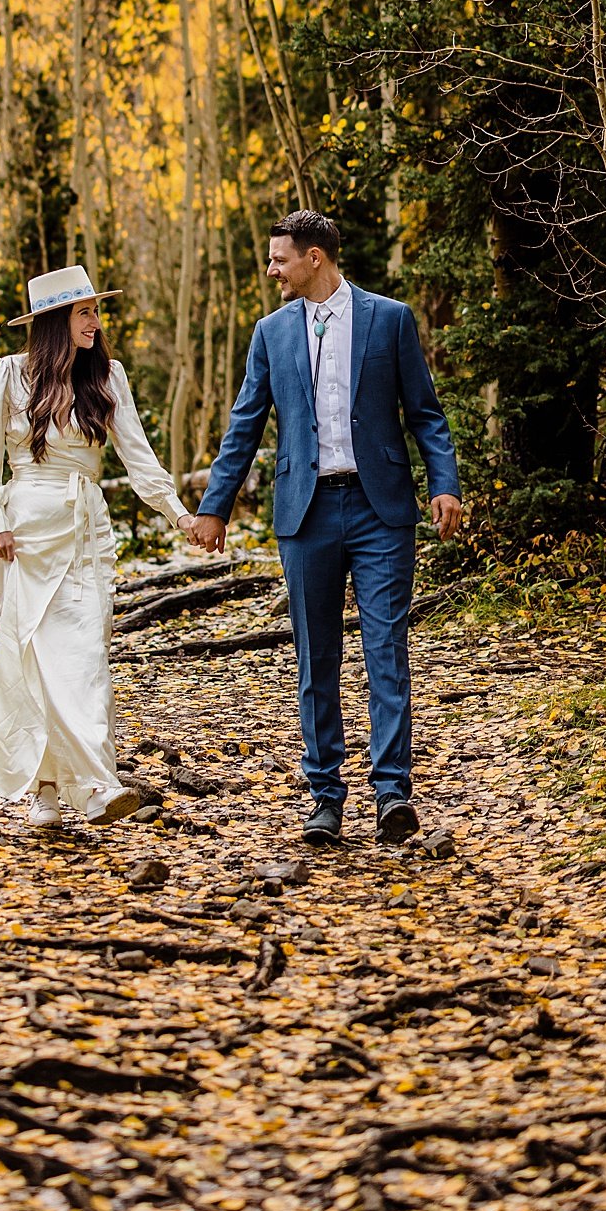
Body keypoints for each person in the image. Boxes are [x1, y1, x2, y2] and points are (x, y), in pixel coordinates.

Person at [186, 211, 462, 846]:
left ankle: (392, 791)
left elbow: (425, 413)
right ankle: (325, 797)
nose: (272, 269)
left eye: (280, 259)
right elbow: (245, 423)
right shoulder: (270, 333)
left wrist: (443, 484)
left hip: (380, 508)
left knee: (386, 649)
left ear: (315, 257)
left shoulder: (389, 319)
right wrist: (215, 505)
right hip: (305, 512)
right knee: (317, 656)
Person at [0, 264, 195, 828]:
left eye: (96, 311)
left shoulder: (107, 376)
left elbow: (138, 457)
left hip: (87, 529)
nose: (95, 322)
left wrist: (180, 515)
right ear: (54, 321)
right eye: (84, 312)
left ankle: (94, 784)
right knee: (36, 660)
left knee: (86, 657)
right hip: (27, 531)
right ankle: (45, 790)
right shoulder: (7, 376)